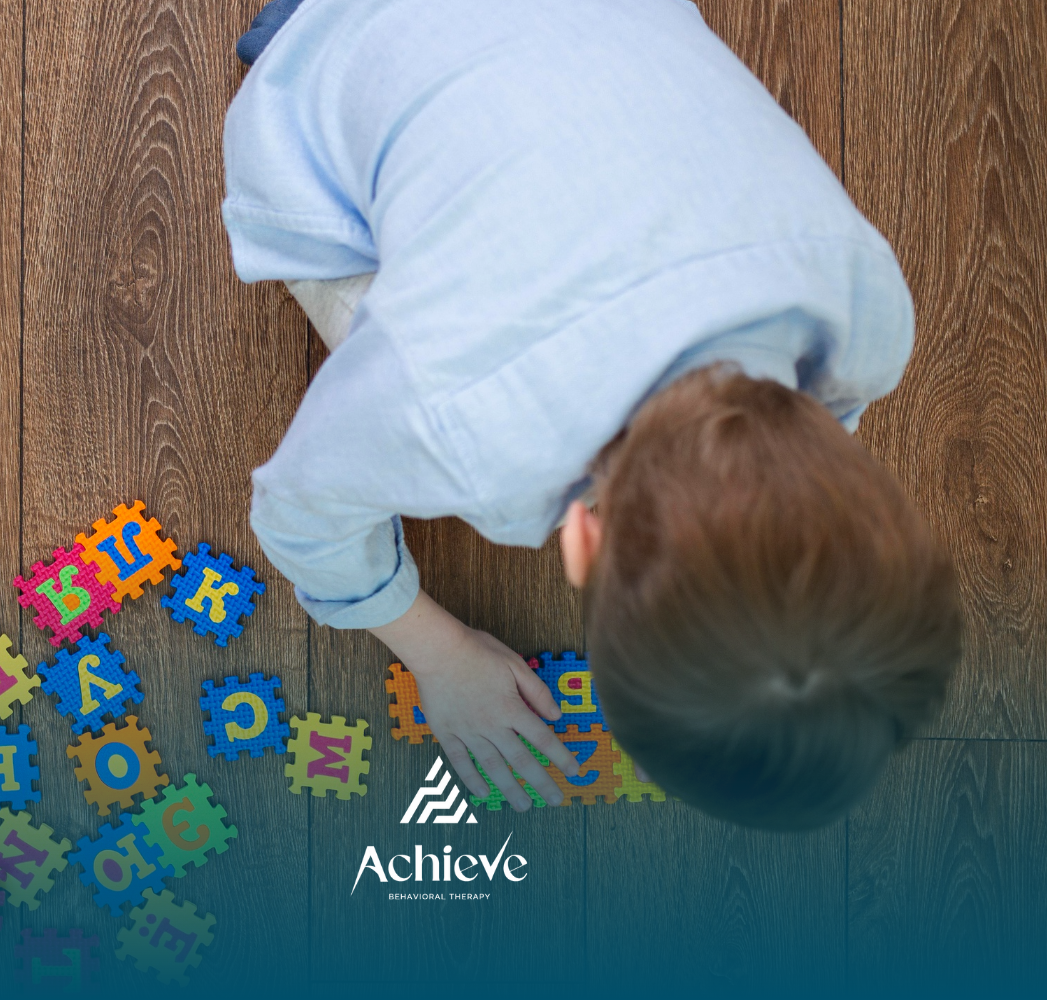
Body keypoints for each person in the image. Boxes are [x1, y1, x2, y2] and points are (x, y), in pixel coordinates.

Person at [222, 0, 961, 828]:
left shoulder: (870, 313)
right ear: (578, 537)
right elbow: (297, 513)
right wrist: (440, 655)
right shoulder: (465, 420)